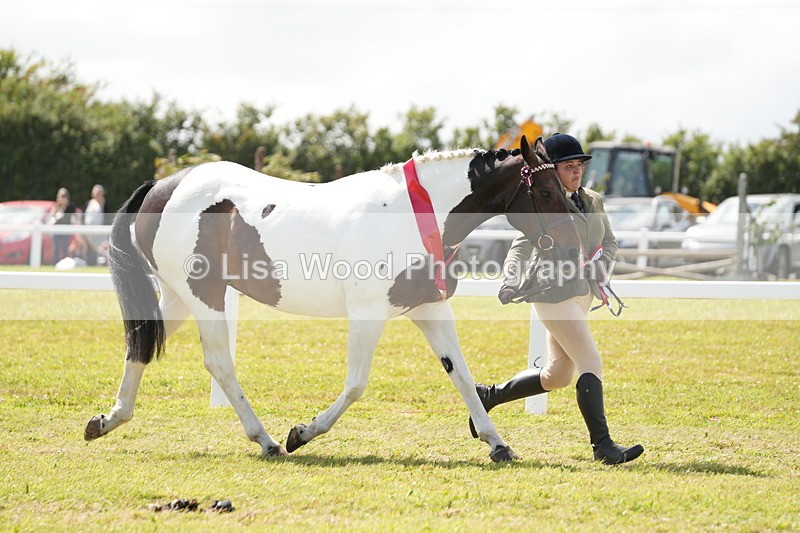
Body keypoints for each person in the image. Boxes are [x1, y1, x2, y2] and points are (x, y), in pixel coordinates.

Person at [471, 133, 644, 465]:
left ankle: (487, 395)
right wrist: (510, 280)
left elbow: (609, 242)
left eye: (579, 165)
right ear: (552, 170)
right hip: (552, 293)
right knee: (590, 362)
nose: (577, 171)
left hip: (582, 295)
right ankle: (603, 446)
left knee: (558, 375)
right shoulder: (544, 201)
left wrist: (600, 266)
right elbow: (520, 247)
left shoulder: (592, 199)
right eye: (569, 166)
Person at [47, 187, 78, 263]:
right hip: (57, 229)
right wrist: (58, 207)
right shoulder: (56, 206)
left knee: (65, 248)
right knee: (56, 248)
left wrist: (65, 207)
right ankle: (55, 263)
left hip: (66, 230)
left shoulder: (71, 206)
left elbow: (73, 217)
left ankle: (64, 263)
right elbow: (52, 216)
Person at [83, 184, 109, 265]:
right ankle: (88, 263)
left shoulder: (104, 204)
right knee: (89, 249)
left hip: (99, 232)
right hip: (88, 232)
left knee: (100, 249)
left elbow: (107, 218)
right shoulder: (88, 203)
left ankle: (99, 264)